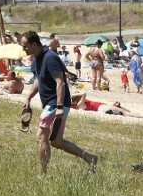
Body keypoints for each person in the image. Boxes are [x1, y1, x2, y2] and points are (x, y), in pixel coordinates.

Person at [21, 31, 98, 174]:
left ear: (34, 44)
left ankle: (43, 174)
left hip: (56, 103)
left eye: (25, 46)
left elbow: (60, 82)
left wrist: (59, 106)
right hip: (53, 104)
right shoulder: (36, 59)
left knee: (40, 135)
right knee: (56, 141)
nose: (23, 49)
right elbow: (39, 79)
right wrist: (28, 97)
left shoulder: (50, 57)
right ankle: (90, 157)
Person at [70, 91, 143, 117]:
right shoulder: (79, 104)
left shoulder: (78, 104)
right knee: (124, 112)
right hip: (102, 108)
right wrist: (73, 95)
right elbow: (84, 93)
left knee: (121, 108)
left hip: (102, 107)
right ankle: (142, 116)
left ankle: (140, 114)